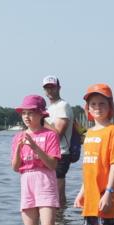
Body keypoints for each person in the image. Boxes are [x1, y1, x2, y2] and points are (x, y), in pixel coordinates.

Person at [74, 84, 114, 225]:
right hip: (91, 195)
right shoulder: (88, 134)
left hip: (105, 194)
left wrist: (109, 192)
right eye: (93, 104)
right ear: (87, 108)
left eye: (102, 103)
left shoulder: (113, 131)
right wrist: (82, 192)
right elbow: (88, 166)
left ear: (110, 106)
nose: (97, 107)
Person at [10, 95, 60, 225]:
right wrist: (19, 149)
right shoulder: (18, 137)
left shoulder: (50, 135)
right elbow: (15, 167)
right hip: (27, 182)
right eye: (24, 113)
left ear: (40, 114)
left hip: (45, 180)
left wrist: (34, 147)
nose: (27, 116)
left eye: (31, 112)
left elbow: (52, 165)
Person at [41, 75, 73, 206]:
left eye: (52, 87)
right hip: (48, 153)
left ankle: (60, 221)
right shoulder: (47, 109)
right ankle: (60, 221)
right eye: (47, 88)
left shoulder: (62, 106)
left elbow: (58, 133)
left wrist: (41, 121)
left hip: (61, 153)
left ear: (59, 88)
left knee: (57, 194)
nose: (49, 90)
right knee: (51, 192)